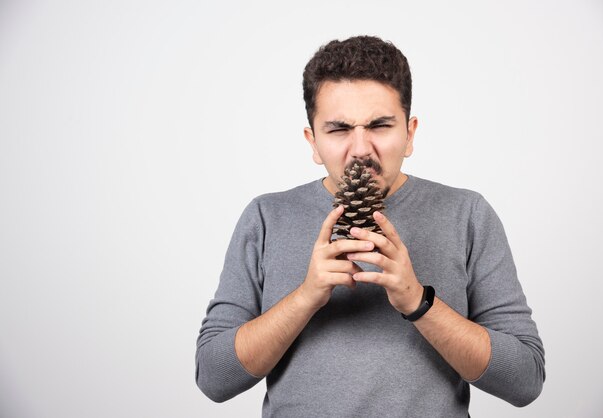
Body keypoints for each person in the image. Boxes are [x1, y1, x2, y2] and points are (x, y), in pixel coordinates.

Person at [196, 35, 545, 417]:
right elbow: (214, 378)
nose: (361, 149)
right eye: (339, 129)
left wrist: (418, 302)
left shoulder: (468, 214)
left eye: (379, 125)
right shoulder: (265, 217)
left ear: (409, 134)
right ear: (313, 142)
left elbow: (524, 380)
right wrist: (306, 296)